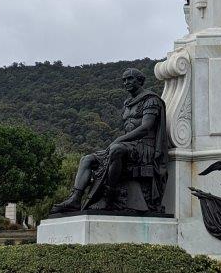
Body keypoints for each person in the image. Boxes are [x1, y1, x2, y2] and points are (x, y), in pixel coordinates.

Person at [50, 68, 168, 215]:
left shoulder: (151, 100)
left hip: (145, 148)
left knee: (116, 150)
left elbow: (145, 128)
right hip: (129, 145)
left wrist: (119, 139)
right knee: (87, 159)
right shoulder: (127, 103)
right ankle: (75, 198)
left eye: (130, 79)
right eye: (124, 80)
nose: (126, 82)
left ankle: (109, 197)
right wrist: (121, 141)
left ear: (140, 80)